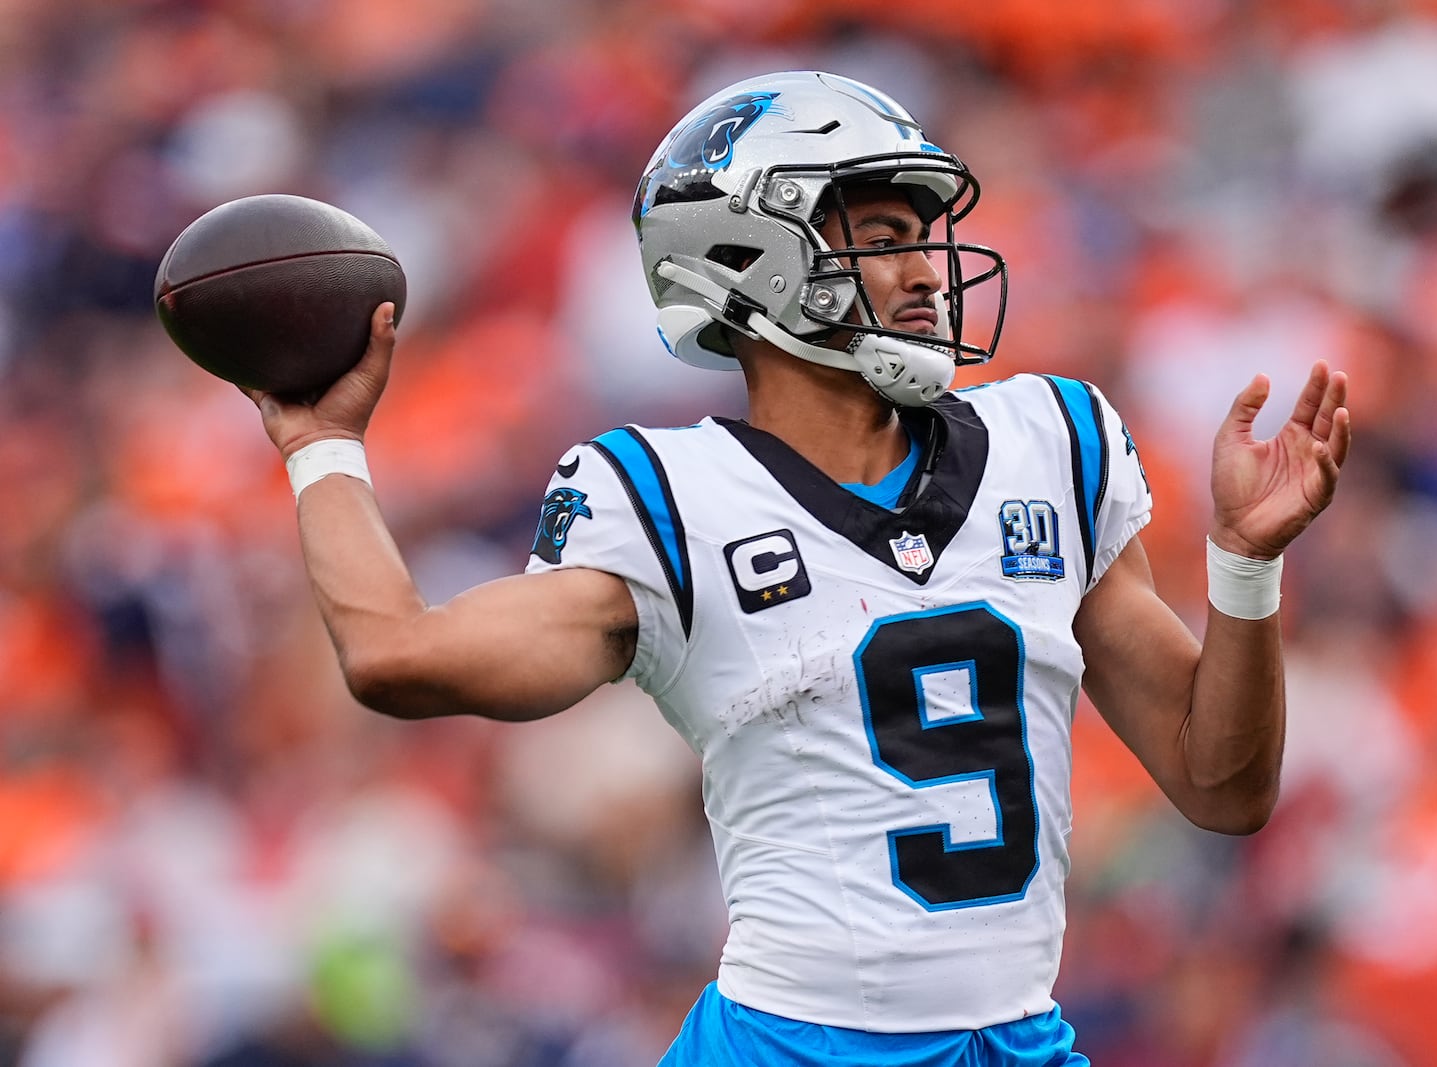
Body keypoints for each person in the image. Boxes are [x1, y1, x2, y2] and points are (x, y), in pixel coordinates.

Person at [244, 71, 1350, 1067]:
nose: (926, 268)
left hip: (1016, 1040)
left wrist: (1243, 567)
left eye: (926, 234)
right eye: (877, 234)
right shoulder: (670, 497)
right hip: (790, 1048)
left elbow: (1223, 783)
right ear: (747, 260)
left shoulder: (1051, 441)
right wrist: (319, 444)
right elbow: (394, 655)